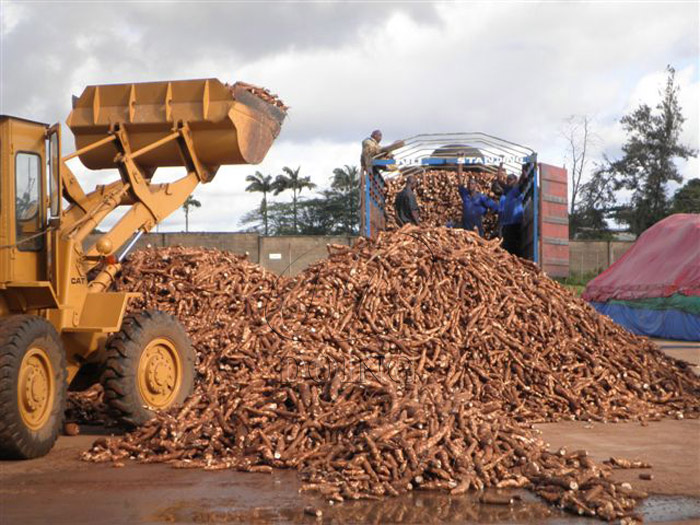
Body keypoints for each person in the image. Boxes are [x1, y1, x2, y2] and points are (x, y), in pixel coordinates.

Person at [499, 164, 528, 257]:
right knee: (506, 247)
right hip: (506, 224)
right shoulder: (506, 191)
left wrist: (523, 171)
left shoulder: (517, 189)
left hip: (515, 222)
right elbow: (499, 180)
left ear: (515, 181)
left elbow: (523, 179)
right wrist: (500, 165)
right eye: (507, 180)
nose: (508, 182)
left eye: (511, 180)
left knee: (515, 247)